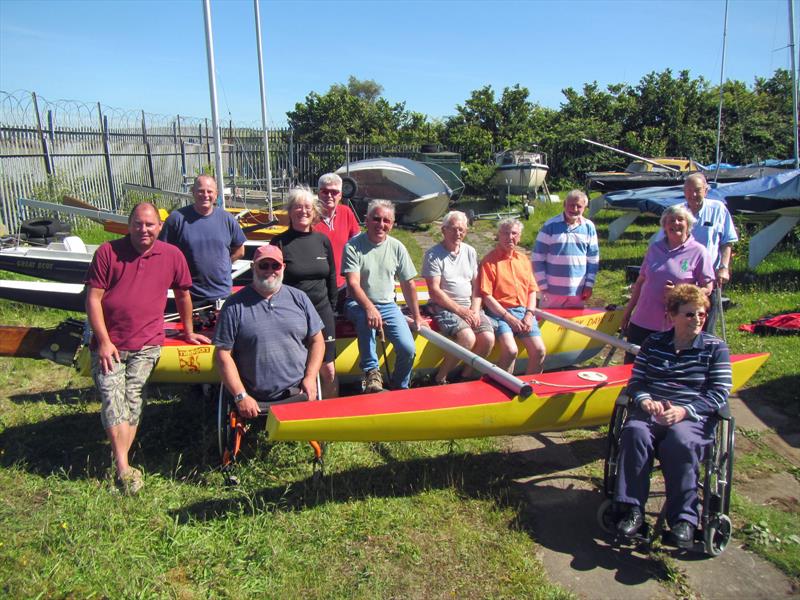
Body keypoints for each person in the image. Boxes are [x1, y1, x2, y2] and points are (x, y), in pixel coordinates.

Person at [85, 202, 210, 495]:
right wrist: (103, 341)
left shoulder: (171, 255)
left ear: (159, 227)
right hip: (110, 344)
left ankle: (121, 465)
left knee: (132, 398)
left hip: (146, 344)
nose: (144, 229)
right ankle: (124, 467)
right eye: (138, 224)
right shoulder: (108, 252)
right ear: (129, 225)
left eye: (150, 225)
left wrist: (189, 332)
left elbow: (183, 295)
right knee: (111, 399)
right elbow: (93, 299)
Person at [614, 284, 733, 548]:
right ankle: (632, 509)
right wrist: (646, 401)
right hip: (652, 411)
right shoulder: (654, 343)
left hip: (692, 417)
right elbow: (636, 381)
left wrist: (684, 411)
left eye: (702, 314)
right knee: (634, 432)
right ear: (672, 315)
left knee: (679, 441)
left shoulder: (715, 349)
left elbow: (719, 393)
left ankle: (684, 520)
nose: (698, 319)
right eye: (690, 314)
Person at [213, 244, 325, 420]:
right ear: (253, 267)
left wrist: (310, 378)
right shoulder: (234, 305)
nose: (270, 270)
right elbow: (222, 355)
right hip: (254, 396)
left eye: (275, 265)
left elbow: (317, 340)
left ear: (283, 268)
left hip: (296, 391)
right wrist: (240, 395)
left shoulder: (299, 298)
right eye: (263, 265)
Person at [342, 199, 425, 392]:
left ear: (393, 224)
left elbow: (408, 283)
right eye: (376, 219)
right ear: (366, 220)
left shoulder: (397, 247)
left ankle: (399, 386)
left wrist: (417, 316)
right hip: (357, 303)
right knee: (365, 318)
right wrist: (370, 308)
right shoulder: (353, 246)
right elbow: (353, 284)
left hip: (388, 305)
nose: (381, 224)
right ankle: (372, 373)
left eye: (386, 221)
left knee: (408, 349)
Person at [622, 204, 715, 363]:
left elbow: (708, 287)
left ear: (689, 224)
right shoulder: (654, 248)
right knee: (633, 365)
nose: (675, 224)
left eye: (680, 220)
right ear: (664, 226)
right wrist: (628, 312)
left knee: (663, 367)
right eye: (671, 220)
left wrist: (681, 292)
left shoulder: (699, 252)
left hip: (673, 325)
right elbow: (640, 282)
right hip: (642, 319)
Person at [270, 186, 339, 398]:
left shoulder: (322, 241)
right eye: (298, 207)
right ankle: (302, 413)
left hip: (322, 310)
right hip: (292, 314)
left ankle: (331, 417)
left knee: (329, 370)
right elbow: (271, 282)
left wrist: (333, 309)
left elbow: (331, 278)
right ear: (290, 212)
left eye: (308, 207)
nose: (303, 211)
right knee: (299, 368)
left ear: (315, 212)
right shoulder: (279, 242)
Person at [422, 210, 494, 384]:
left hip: (469, 306)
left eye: (462, 230)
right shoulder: (433, 255)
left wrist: (475, 310)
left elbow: (477, 286)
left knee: (488, 339)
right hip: (445, 306)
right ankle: (440, 378)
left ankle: (465, 376)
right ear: (444, 230)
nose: (458, 233)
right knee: (467, 338)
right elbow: (435, 291)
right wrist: (462, 311)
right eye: (453, 229)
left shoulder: (470, 251)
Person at [160, 174, 247, 306]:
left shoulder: (227, 219)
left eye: (209, 191)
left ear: (216, 194)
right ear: (193, 192)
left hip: (222, 294)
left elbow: (240, 250)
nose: (205, 195)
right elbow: (162, 252)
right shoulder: (176, 219)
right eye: (200, 191)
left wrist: (225, 264)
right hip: (189, 296)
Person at [478, 218, 546, 374]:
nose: (510, 237)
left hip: (523, 312)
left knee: (540, 350)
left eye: (514, 233)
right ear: (498, 236)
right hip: (499, 313)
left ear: (520, 236)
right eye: (505, 233)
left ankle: (531, 387)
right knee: (510, 350)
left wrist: (529, 314)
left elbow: (531, 290)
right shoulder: (489, 261)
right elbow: (487, 296)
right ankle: (503, 387)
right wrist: (509, 318)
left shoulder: (523, 259)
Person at [532, 189, 599, 308]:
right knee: (547, 323)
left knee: (573, 325)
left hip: (578, 291)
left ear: (585, 207)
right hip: (551, 291)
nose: (574, 209)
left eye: (579, 206)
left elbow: (593, 259)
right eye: (571, 205)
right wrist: (543, 286)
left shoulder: (589, 227)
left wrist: (589, 285)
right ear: (564, 205)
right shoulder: (550, 225)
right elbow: (537, 257)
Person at [313, 172, 361, 304]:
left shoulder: (346, 212)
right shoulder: (309, 217)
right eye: (325, 191)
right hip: (319, 286)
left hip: (344, 284)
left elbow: (358, 245)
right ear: (318, 193)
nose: (329, 195)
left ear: (340, 195)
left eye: (334, 192)